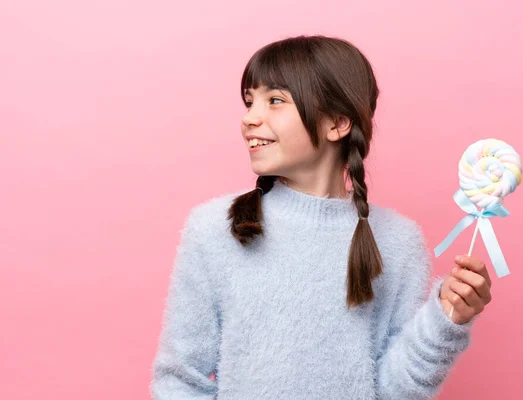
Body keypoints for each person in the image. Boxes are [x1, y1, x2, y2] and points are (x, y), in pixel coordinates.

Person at [149, 35, 493, 400]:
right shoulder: (214, 229)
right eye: (250, 102)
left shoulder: (398, 242)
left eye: (275, 100)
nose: (249, 118)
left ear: (337, 123)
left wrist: (445, 320)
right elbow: (180, 380)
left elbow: (395, 392)